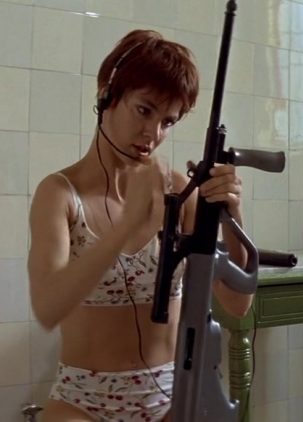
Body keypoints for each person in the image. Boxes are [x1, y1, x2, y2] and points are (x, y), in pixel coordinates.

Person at [27, 29, 253, 421]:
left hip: (171, 395)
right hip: (82, 400)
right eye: (144, 110)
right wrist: (126, 227)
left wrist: (233, 216)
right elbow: (47, 307)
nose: (153, 134)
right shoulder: (59, 194)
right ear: (106, 95)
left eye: (168, 121)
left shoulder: (180, 193)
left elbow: (237, 304)